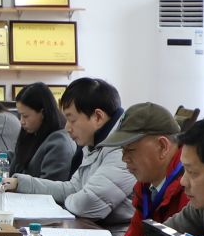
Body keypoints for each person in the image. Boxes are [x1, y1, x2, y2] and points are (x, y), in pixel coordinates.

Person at [8, 76, 136, 225]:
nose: (67, 127)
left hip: (119, 234)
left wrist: (64, 202)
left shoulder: (122, 149)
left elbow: (87, 204)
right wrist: (20, 183)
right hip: (95, 228)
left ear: (98, 117)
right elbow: (73, 188)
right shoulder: (94, 144)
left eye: (72, 119)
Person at [105, 102, 190, 236]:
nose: (124, 158)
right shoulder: (146, 185)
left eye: (131, 150)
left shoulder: (191, 188)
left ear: (163, 147)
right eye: (123, 150)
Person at [0, 80, 74, 180]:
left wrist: (15, 181)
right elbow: (17, 155)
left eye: (25, 116)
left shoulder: (59, 143)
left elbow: (48, 184)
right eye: (20, 116)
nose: (21, 121)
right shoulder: (34, 132)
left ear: (42, 113)